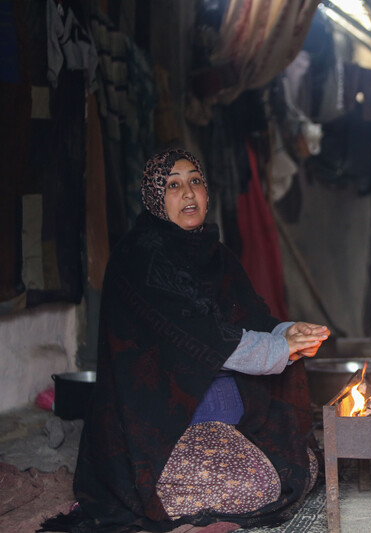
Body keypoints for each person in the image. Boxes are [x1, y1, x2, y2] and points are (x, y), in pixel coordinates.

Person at [45, 149, 330, 532]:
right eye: (173, 186)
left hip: (234, 419)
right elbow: (202, 335)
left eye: (195, 181)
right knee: (256, 485)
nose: (189, 194)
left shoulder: (218, 256)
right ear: (154, 198)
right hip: (162, 432)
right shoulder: (139, 259)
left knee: (303, 465)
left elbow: (254, 318)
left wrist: (287, 332)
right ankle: (161, 491)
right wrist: (279, 349)